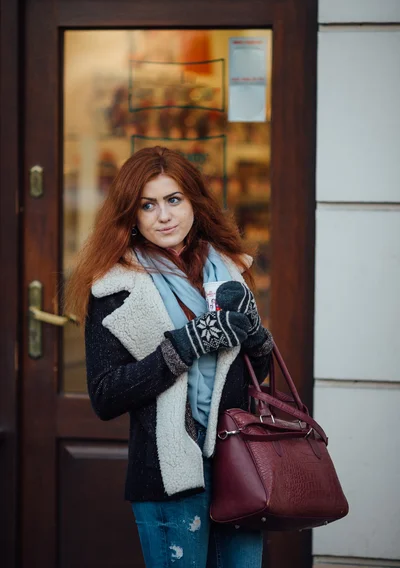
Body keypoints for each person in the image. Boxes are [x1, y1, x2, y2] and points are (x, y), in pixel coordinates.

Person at [66, 146, 274, 568]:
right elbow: (106, 396)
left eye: (174, 200)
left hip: (239, 464)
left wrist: (257, 339)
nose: (164, 215)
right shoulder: (115, 288)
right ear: (132, 215)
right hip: (168, 475)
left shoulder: (228, 271)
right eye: (148, 205)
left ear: (193, 203)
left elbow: (254, 376)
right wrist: (184, 345)